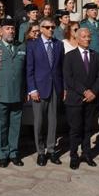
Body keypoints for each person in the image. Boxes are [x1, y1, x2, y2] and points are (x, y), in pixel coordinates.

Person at [63, 28, 99, 169]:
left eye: (89, 36)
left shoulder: (96, 56)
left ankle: (86, 153)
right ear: (77, 38)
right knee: (75, 129)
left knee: (87, 128)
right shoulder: (69, 56)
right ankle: (74, 156)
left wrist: (93, 92)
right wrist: (84, 91)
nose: (87, 39)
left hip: (91, 100)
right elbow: (69, 78)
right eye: (84, 36)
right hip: (75, 99)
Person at [26, 17, 64, 166]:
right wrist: (32, 89)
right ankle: (40, 152)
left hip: (55, 87)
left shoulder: (58, 45)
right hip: (39, 89)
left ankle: (51, 150)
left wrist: (64, 88)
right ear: (41, 29)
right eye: (47, 27)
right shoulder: (32, 45)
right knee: (39, 122)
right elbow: (29, 69)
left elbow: (62, 68)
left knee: (53, 121)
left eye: (52, 27)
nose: (51, 30)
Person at [0, 19, 26, 168]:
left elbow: (26, 71)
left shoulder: (22, 46)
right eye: (7, 28)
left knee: (15, 125)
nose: (11, 31)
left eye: (12, 28)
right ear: (0, 30)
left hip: (18, 92)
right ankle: (2, 154)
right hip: (1, 93)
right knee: (2, 125)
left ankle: (14, 152)